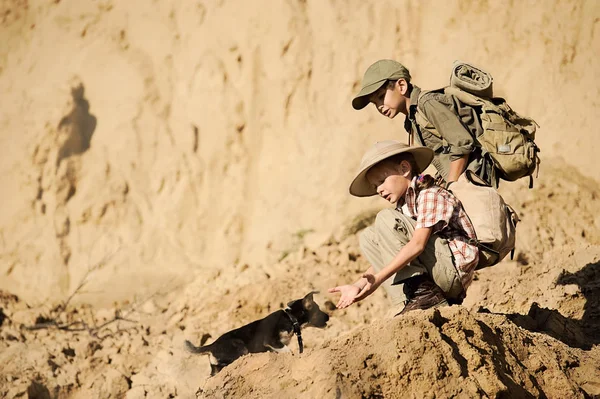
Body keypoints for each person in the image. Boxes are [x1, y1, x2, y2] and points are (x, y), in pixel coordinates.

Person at [328, 140, 479, 315]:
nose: (379, 190)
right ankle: (407, 301)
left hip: (451, 276)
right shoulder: (404, 208)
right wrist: (359, 284)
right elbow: (393, 254)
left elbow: (417, 245)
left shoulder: (430, 195)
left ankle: (425, 296)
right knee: (369, 236)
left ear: (404, 169)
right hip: (436, 272)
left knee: (385, 219)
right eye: (375, 186)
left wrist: (378, 279)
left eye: (382, 181)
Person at [351, 59, 492, 188]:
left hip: (473, 180)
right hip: (460, 181)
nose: (380, 106)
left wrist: (452, 187)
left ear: (401, 86)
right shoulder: (411, 120)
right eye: (375, 103)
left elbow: (462, 144)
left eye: (381, 97)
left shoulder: (427, 103)